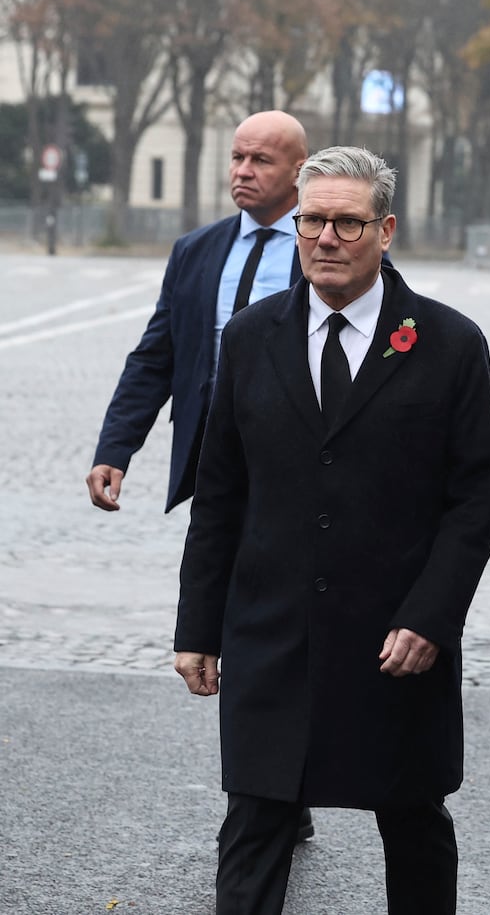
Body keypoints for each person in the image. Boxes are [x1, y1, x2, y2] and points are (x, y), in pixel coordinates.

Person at [173, 146, 490, 914]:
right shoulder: (251, 336)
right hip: (272, 632)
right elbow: (220, 494)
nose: (326, 237)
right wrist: (199, 625)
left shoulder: (451, 344)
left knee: (414, 822)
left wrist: (431, 615)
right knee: (254, 822)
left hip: (396, 638)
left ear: (385, 230)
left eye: (347, 223)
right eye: (312, 220)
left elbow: (474, 500)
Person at [87, 108, 319, 843]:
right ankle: (265, 787)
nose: (243, 171)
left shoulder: (327, 248)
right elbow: (156, 355)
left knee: (289, 625)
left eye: (262, 161)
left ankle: (279, 785)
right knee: (233, 620)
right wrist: (114, 448)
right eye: (238, 156)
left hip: (305, 475)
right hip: (219, 473)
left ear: (297, 173)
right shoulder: (196, 251)